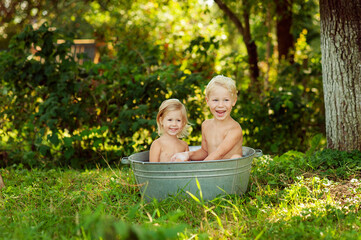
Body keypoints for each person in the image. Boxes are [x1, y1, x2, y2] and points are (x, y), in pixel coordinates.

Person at [171, 75, 243, 161]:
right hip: (211, 166)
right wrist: (187, 155)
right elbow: (204, 152)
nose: (220, 105)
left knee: (236, 157)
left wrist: (200, 170)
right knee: (181, 158)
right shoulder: (206, 125)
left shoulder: (235, 129)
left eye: (226, 100)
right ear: (207, 101)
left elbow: (219, 154)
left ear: (234, 101)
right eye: (215, 100)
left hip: (228, 170)